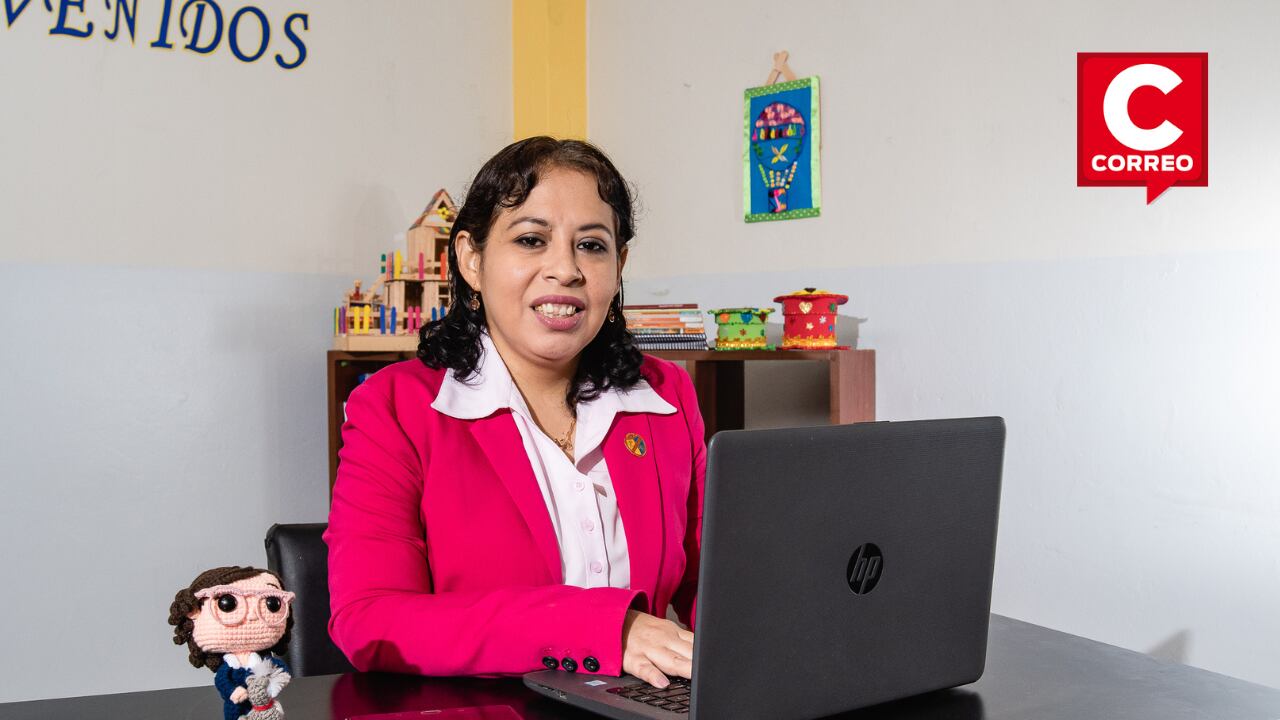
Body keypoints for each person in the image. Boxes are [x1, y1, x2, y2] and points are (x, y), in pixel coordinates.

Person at [325, 136, 706, 690]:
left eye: (592, 246)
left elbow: (720, 585)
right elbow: (370, 621)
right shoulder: (395, 407)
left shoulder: (666, 396)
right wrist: (604, 629)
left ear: (619, 265)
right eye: (531, 240)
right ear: (471, 260)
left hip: (640, 705)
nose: (566, 270)